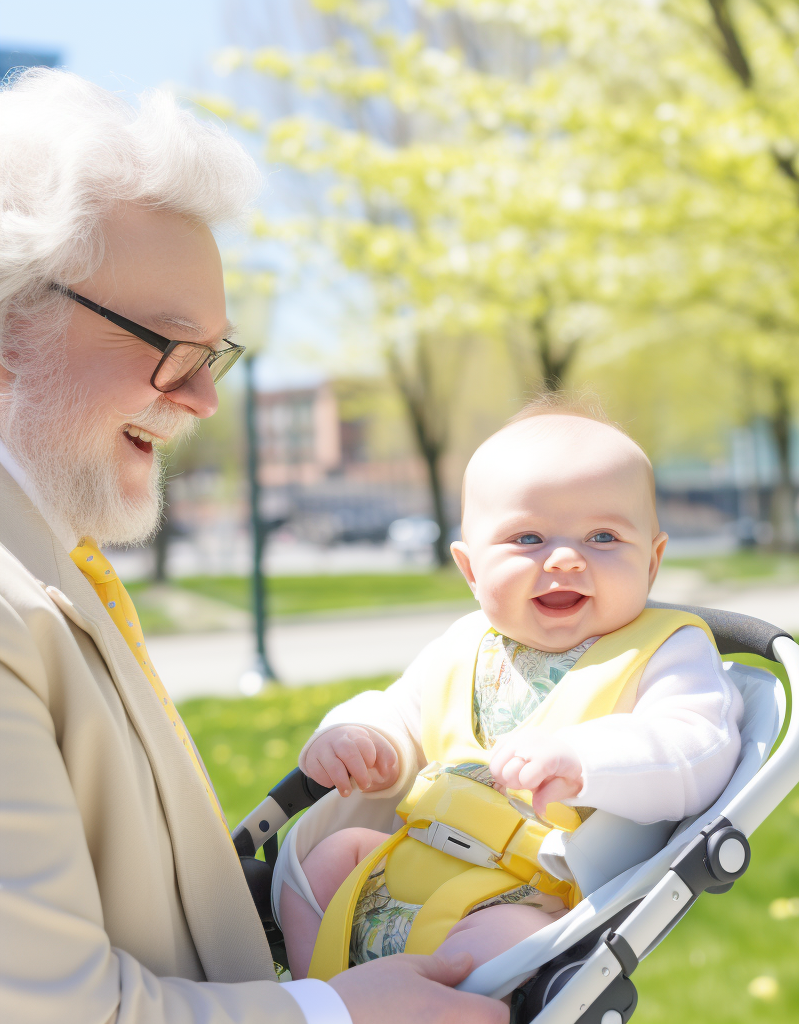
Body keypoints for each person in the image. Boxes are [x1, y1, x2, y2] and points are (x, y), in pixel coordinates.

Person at [0, 68, 507, 1024]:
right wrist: (338, 1014)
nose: (202, 399)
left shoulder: (48, 567)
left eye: (215, 356)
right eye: (170, 343)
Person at [278, 406, 744, 979]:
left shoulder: (665, 652)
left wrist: (584, 760)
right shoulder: (466, 644)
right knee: (318, 860)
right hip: (411, 853)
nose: (567, 557)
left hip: (530, 890)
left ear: (652, 561)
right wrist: (362, 737)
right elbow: (401, 709)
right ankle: (319, 994)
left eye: (604, 536)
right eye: (528, 537)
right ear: (471, 570)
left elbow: (697, 745)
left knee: (502, 946)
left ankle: (429, 1004)